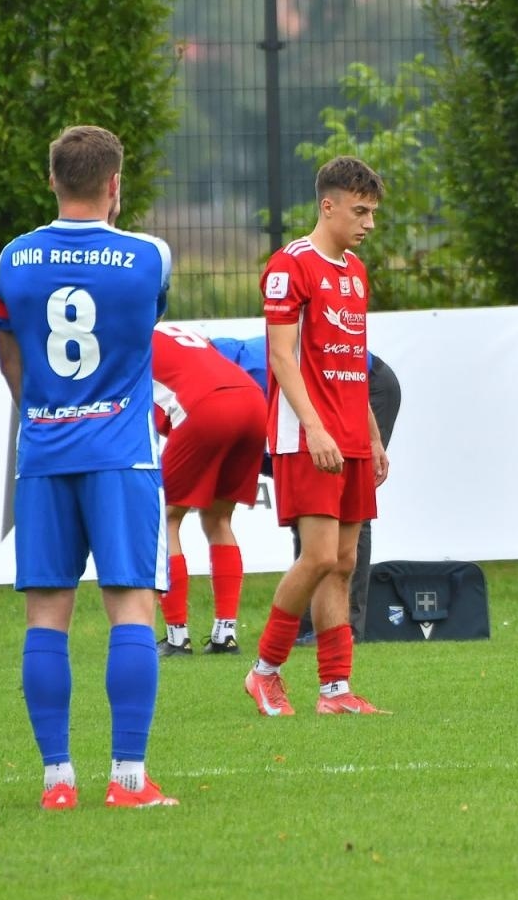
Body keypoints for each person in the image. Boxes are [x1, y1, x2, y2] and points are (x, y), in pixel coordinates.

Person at [0, 125, 178, 808]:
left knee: (46, 614)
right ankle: (128, 778)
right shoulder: (149, 257)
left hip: (43, 451)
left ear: (52, 180)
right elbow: (143, 326)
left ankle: (57, 781)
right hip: (121, 454)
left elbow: (10, 354)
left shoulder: (15, 258)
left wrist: (44, 406)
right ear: (114, 185)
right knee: (129, 602)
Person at [243, 156, 390, 717]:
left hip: (351, 435)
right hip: (308, 436)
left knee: (345, 561)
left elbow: (355, 363)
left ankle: (335, 689)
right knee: (319, 555)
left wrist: (372, 437)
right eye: (360, 211)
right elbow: (281, 358)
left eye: (372, 212)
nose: (368, 223)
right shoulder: (290, 266)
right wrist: (314, 427)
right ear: (327, 205)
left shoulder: (354, 272)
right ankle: (264, 671)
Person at [211, 334, 400, 642]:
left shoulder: (246, 375)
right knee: (310, 507)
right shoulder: (222, 366)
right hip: (327, 398)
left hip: (367, 386)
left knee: (346, 508)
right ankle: (310, 621)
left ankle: (344, 627)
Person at [151, 323, 268, 657]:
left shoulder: (124, 341)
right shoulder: (172, 330)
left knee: (166, 519)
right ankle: (225, 634)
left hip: (207, 406)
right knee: (219, 519)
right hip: (251, 401)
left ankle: (176, 637)